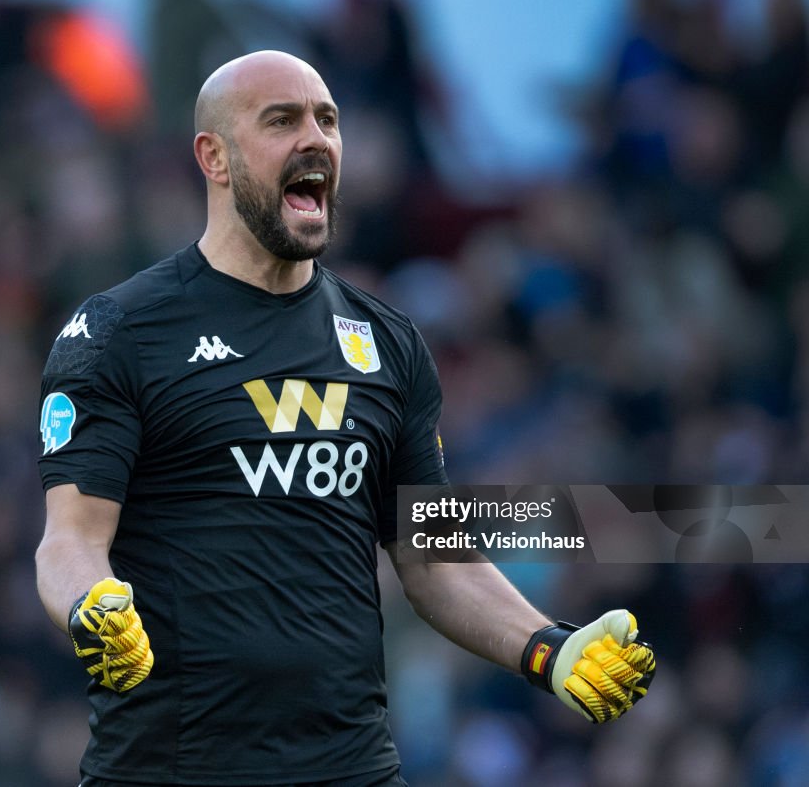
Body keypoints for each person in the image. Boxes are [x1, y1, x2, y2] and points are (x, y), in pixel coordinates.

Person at [35, 50, 656, 786]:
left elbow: (434, 556)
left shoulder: (388, 343)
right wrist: (90, 609)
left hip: (351, 767)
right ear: (215, 157)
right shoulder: (120, 330)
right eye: (282, 120)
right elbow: (69, 540)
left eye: (327, 120)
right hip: (172, 769)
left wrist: (549, 647)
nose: (317, 139)